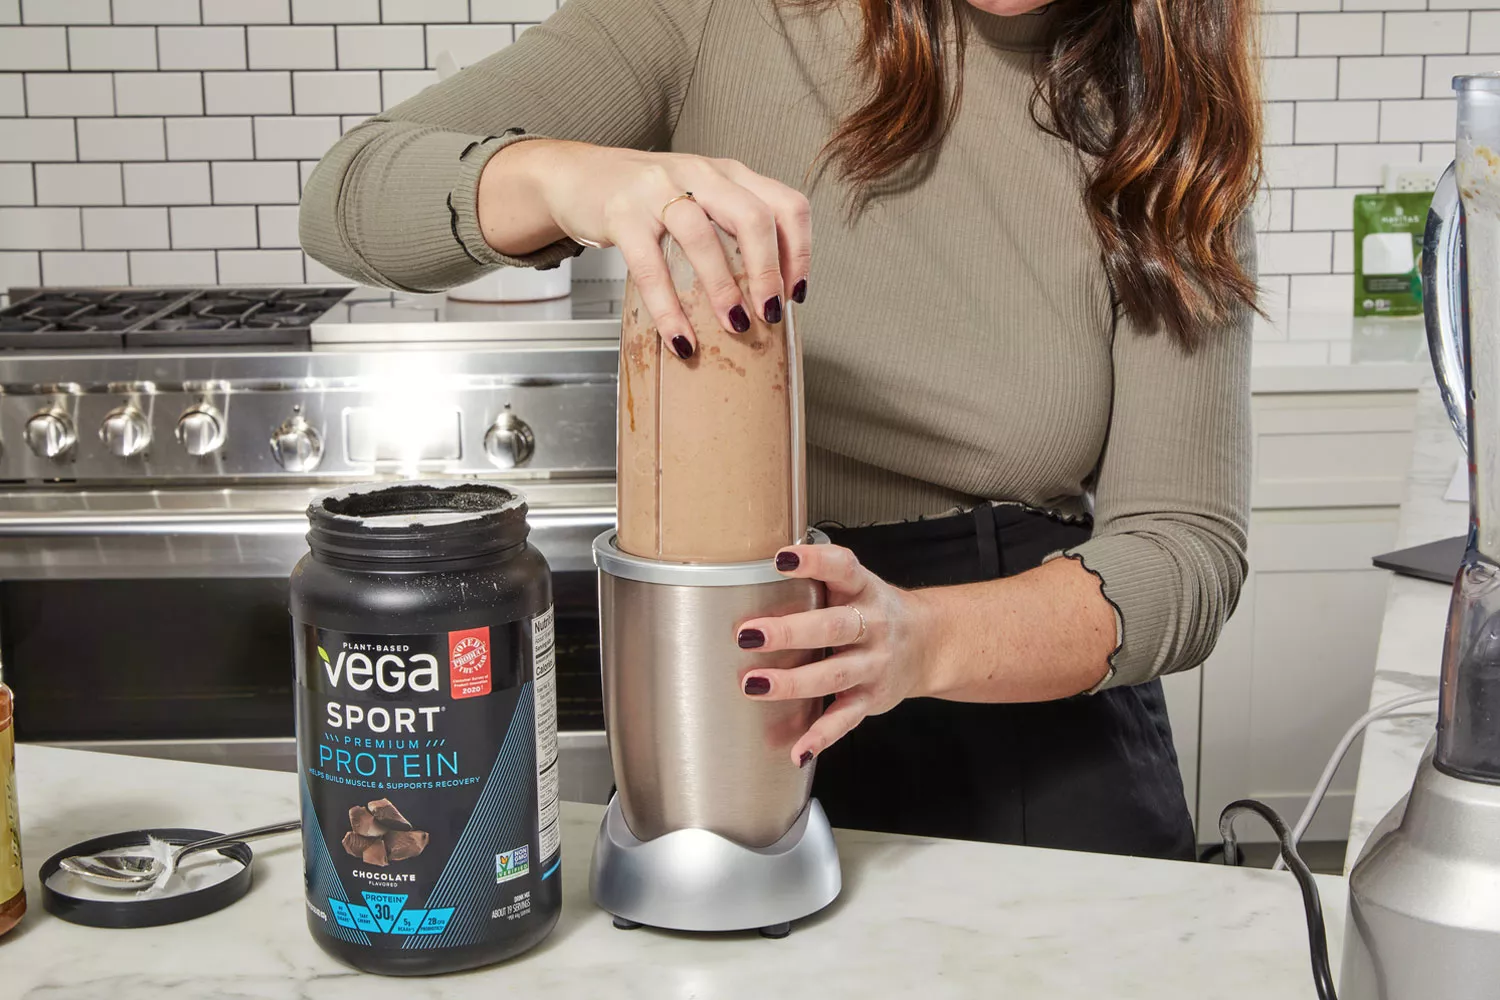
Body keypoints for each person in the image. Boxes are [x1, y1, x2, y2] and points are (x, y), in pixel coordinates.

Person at [301, 0, 1260, 861]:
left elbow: (1186, 548)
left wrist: (921, 639)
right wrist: (568, 179)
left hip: (1026, 693)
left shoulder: (1167, 126)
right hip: (724, 690)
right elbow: (348, 198)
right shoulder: (719, 17)